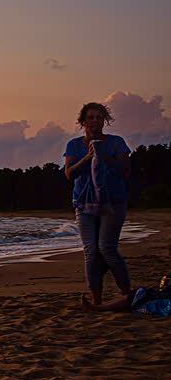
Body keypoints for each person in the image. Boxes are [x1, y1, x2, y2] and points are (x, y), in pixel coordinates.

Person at [63, 102, 132, 306]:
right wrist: (88, 157)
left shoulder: (117, 142)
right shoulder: (73, 145)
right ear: (83, 122)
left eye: (99, 117)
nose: (95, 121)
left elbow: (124, 171)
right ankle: (96, 300)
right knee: (91, 252)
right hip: (84, 204)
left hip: (113, 203)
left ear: (105, 121)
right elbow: (69, 174)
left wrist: (103, 156)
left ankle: (126, 292)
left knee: (107, 248)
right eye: (91, 117)